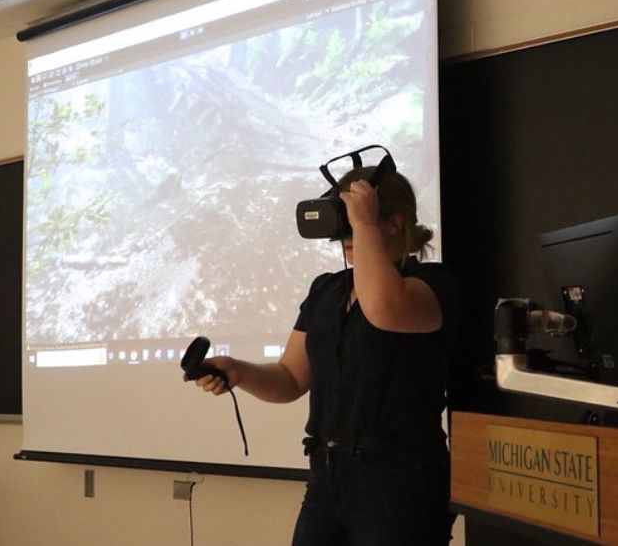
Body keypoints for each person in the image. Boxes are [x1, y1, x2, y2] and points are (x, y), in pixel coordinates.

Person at [188, 165, 460, 545]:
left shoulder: (433, 283)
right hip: (328, 475)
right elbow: (290, 378)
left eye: (352, 221)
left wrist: (364, 225)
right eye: (343, 223)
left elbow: (382, 308)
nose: (344, 236)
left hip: (400, 481)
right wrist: (238, 371)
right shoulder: (327, 290)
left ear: (394, 223)